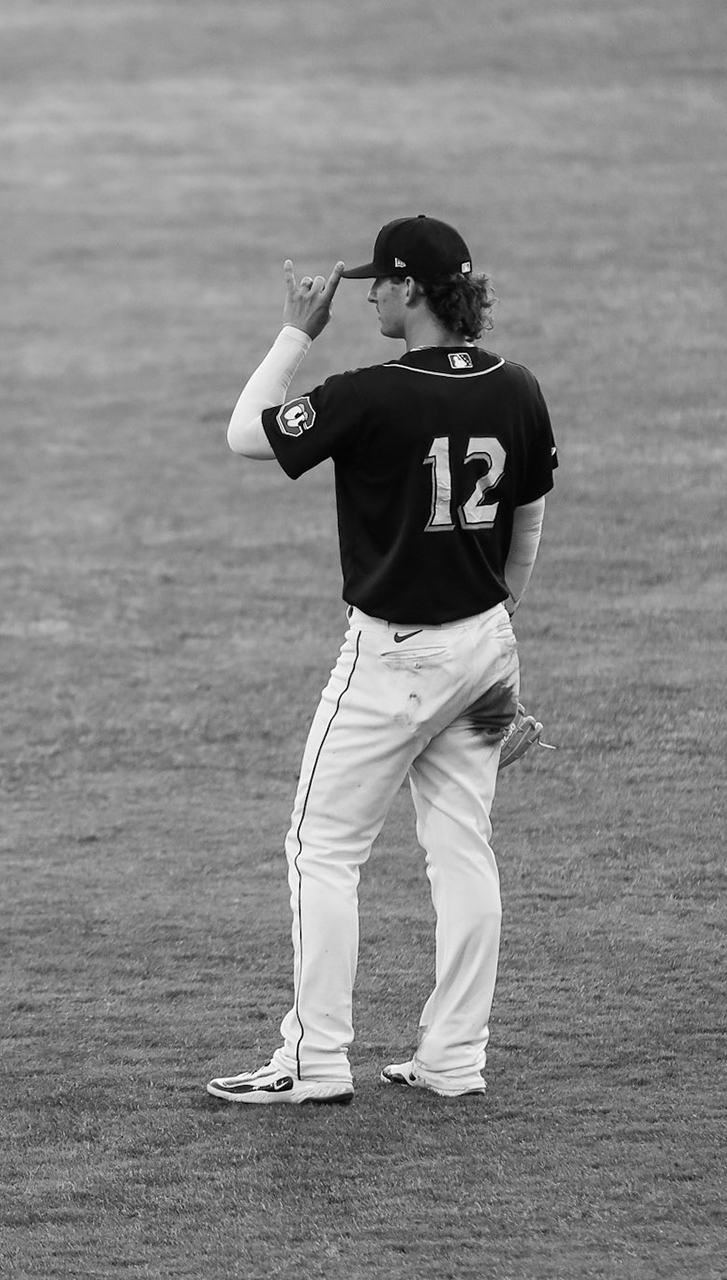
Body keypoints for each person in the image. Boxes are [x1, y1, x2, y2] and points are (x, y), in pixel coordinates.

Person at [206, 215, 556, 1105]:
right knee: (462, 849)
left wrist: (295, 331)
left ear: (411, 290)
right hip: (483, 655)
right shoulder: (517, 386)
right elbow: (529, 515)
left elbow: (247, 433)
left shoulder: (369, 393)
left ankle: (315, 1064)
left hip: (392, 663)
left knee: (321, 851)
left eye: (379, 282)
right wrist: (499, 615)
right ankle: (453, 1060)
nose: (367, 294)